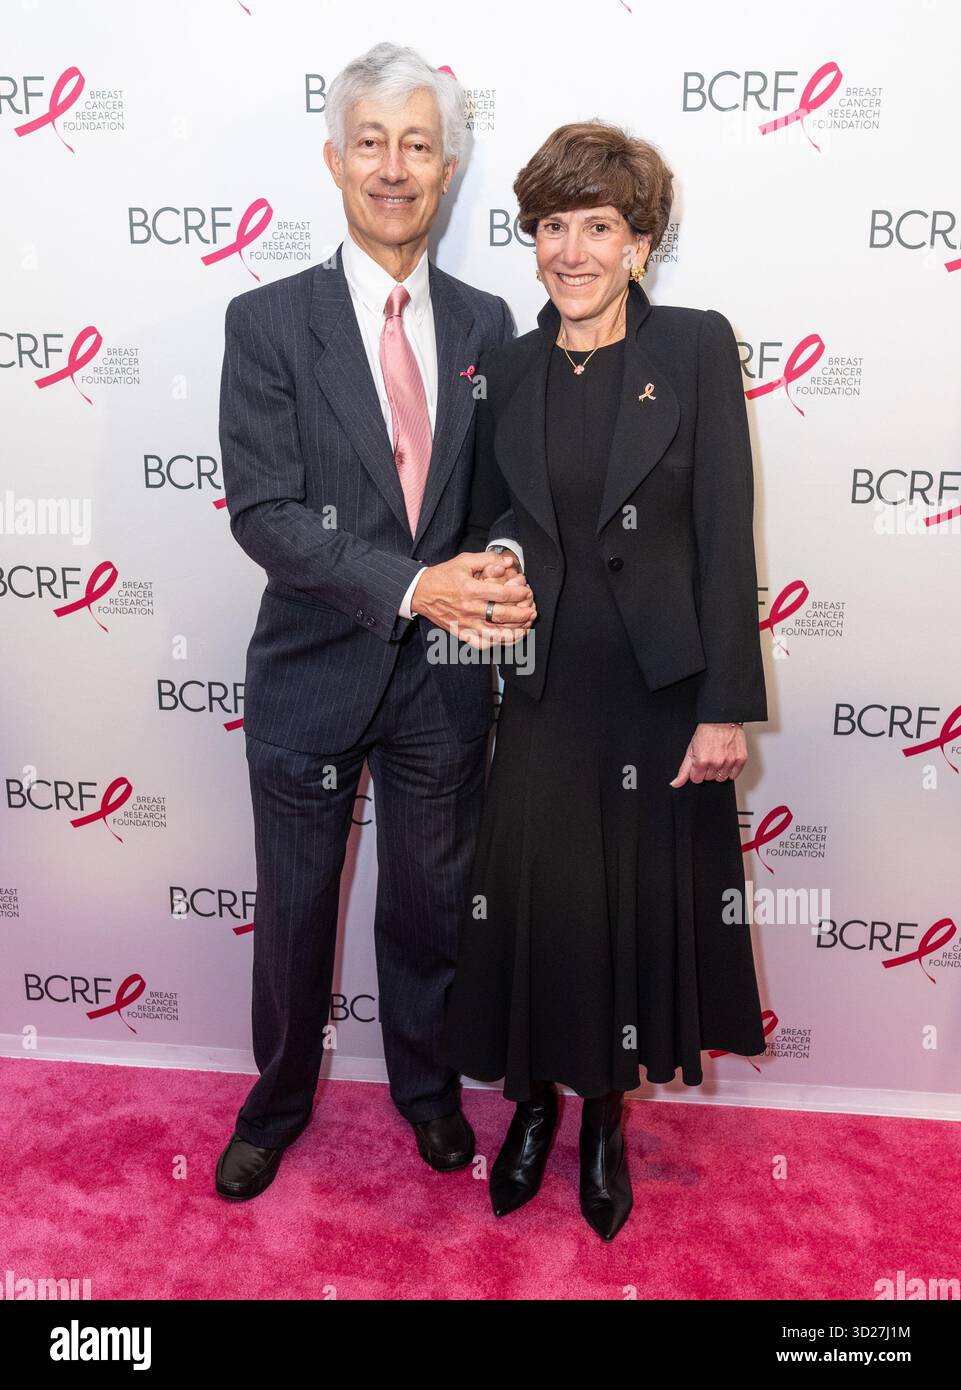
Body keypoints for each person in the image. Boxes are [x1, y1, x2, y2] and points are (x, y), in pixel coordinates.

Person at [214, 42, 534, 1201]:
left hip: (446, 679)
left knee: (430, 905)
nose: (393, 167)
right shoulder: (266, 321)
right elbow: (264, 513)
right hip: (311, 666)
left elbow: (509, 497)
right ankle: (277, 1100)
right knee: (295, 914)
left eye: (416, 144)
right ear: (333, 158)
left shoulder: (492, 322)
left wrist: (495, 566)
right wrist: (411, 586)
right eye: (371, 143)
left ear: (446, 167)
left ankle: (431, 1095)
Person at [441, 120, 769, 1241]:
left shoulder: (691, 347)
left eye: (598, 226)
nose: (570, 250)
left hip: (657, 693)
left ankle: (605, 1124)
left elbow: (726, 528)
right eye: (550, 226)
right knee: (538, 911)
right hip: (537, 696)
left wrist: (725, 698)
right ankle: (529, 1108)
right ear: (530, 237)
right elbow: (488, 517)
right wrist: (490, 568)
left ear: (639, 241)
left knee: (630, 914)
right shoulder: (507, 365)